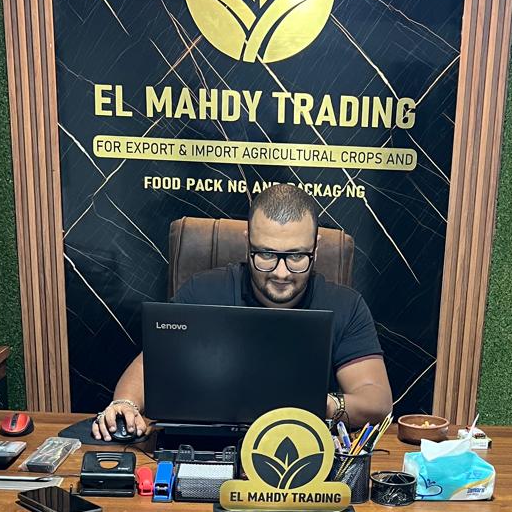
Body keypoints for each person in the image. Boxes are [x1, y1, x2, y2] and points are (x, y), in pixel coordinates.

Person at [93, 183, 393, 439]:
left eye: (296, 256)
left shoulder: (345, 305)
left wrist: (321, 404)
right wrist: (126, 405)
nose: (281, 273)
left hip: (301, 450)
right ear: (247, 242)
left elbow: (376, 401)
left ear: (315, 246)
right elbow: (149, 367)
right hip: (206, 446)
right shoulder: (203, 292)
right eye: (266, 254)